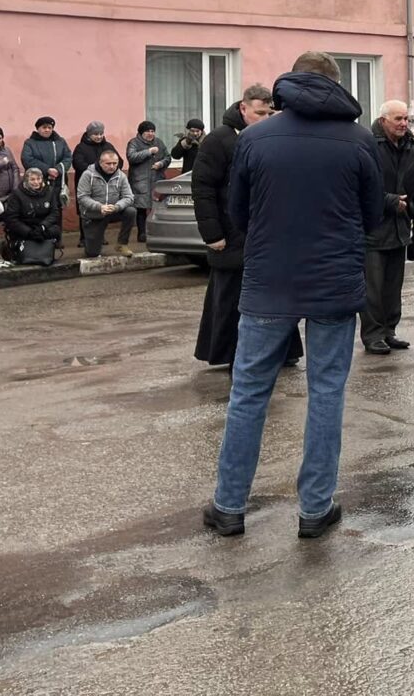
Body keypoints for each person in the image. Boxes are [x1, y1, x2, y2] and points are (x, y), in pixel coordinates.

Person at [203, 52, 383, 540]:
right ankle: (315, 508)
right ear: (337, 85)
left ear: (291, 82)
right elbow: (372, 219)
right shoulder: (360, 140)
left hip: (267, 283)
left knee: (249, 393)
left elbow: (238, 213)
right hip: (333, 286)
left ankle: (229, 506)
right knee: (326, 393)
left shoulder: (257, 138)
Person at [193, 87, 302, 369]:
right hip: (230, 235)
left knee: (276, 293)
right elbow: (203, 189)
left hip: (268, 233)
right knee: (231, 298)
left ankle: (283, 351)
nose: (265, 118)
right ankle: (231, 355)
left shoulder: (274, 137)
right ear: (243, 109)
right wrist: (212, 234)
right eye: (259, 113)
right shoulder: (218, 140)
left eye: (270, 113)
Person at [361, 100, 414, 355]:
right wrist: (388, 201)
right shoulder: (367, 145)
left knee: (393, 288)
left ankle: (389, 331)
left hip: (400, 230)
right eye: (398, 119)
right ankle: (373, 335)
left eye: (406, 119)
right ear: (383, 120)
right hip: (373, 231)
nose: (403, 124)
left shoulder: (413, 148)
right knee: (373, 290)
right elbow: (359, 189)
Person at [77, 150, 136, 257]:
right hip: (94, 214)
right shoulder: (88, 175)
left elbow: (129, 197)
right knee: (92, 253)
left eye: (114, 163)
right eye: (108, 164)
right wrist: (99, 207)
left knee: (131, 211)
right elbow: (82, 197)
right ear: (100, 163)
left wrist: (117, 207)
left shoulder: (121, 176)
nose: (112, 166)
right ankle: (92, 245)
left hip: (113, 210)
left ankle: (122, 244)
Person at [3, 167, 61, 264]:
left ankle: (45, 253)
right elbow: (12, 218)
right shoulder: (17, 194)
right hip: (25, 226)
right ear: (26, 180)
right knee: (16, 231)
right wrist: (28, 232)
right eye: (32, 179)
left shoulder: (50, 192)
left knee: (56, 230)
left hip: (42, 226)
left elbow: (54, 213)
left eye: (38, 179)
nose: (36, 182)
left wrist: (43, 226)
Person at [124, 121, 169, 246]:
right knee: (141, 208)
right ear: (141, 132)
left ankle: (156, 232)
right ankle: (142, 233)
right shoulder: (133, 143)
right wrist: (148, 151)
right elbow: (131, 157)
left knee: (157, 207)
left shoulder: (159, 142)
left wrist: (161, 164)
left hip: (156, 179)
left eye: (152, 131)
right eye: (147, 131)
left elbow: (167, 157)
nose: (150, 134)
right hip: (140, 181)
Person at [21, 117, 73, 206]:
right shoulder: (30, 143)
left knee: (56, 210)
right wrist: (47, 170)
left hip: (58, 182)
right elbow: (27, 159)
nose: (47, 130)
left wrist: (58, 170)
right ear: (38, 129)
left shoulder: (60, 141)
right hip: (38, 183)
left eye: (50, 127)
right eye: (44, 127)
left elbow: (68, 157)